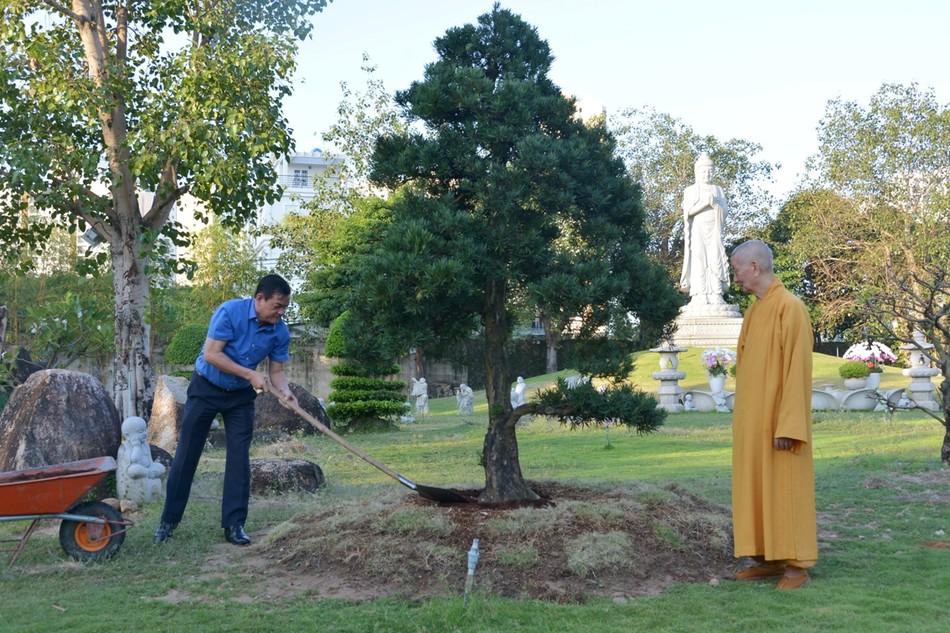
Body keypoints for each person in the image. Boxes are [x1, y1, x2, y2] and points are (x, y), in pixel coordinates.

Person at [154, 274, 297, 546]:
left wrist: (285, 390)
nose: (280, 313)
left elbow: (276, 371)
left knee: (239, 459)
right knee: (186, 454)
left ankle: (234, 525)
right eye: (277, 306)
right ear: (259, 299)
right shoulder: (230, 312)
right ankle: (168, 522)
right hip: (206, 388)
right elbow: (211, 354)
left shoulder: (280, 330)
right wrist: (249, 374)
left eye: (284, 308)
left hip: (240, 398)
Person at [729, 240, 817, 590]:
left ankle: (797, 565)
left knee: (785, 490)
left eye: (737, 269)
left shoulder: (790, 307)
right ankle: (767, 558)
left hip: (781, 425)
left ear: (754, 267)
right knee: (757, 490)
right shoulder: (754, 311)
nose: (735, 277)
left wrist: (789, 425)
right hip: (753, 423)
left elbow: (798, 372)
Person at [679, 153, 730, 306]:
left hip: (714, 231)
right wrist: (703, 204)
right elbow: (687, 212)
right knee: (699, 260)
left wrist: (715, 204)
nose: (706, 174)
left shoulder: (718, 190)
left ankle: (716, 293)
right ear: (697, 172)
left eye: (709, 171)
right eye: (703, 171)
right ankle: (699, 294)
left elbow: (725, 211)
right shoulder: (691, 190)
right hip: (698, 230)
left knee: (715, 259)